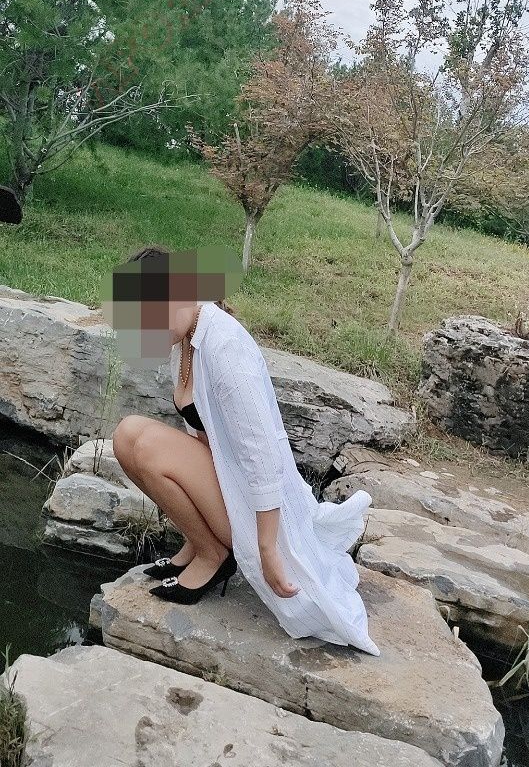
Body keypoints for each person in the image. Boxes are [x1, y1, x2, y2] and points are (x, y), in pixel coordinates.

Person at [111, 245, 380, 656]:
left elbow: (263, 454)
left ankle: (214, 554)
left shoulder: (225, 345)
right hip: (228, 486)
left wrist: (268, 548)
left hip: (258, 513)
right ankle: (198, 542)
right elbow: (204, 438)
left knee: (144, 442)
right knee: (126, 436)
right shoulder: (186, 341)